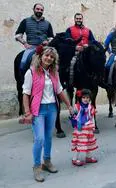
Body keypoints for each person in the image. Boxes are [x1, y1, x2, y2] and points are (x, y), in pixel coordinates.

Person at [22, 46, 73, 182]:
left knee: (48, 137)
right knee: (39, 139)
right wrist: (27, 113)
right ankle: (37, 166)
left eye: (52, 57)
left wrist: (69, 106)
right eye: (47, 55)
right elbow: (26, 93)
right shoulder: (31, 72)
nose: (49, 58)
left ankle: (47, 161)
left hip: (52, 109)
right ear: (40, 56)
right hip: (37, 109)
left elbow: (60, 90)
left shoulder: (54, 72)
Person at [15, 3, 54, 72]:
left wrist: (48, 42)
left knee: (55, 62)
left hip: (44, 48)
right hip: (31, 47)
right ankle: (22, 79)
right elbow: (18, 35)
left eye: (41, 10)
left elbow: (51, 38)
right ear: (33, 9)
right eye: (38, 9)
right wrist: (25, 43)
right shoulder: (26, 21)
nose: (39, 11)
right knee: (23, 63)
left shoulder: (47, 23)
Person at [69, 89, 98, 166]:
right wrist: (72, 115)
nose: (86, 99)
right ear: (80, 98)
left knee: (88, 143)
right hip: (80, 129)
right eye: (84, 97)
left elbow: (92, 117)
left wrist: (93, 126)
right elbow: (73, 115)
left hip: (88, 129)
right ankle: (74, 158)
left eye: (88, 98)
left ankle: (88, 157)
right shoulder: (77, 107)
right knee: (79, 143)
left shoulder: (90, 107)